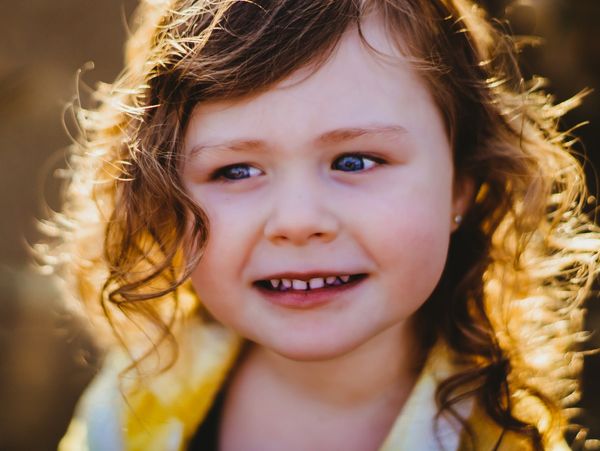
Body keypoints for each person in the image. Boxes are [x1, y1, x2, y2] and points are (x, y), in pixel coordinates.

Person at [43, 0, 600, 449]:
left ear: (462, 180)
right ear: (161, 195)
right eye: (236, 170)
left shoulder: (502, 441)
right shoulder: (137, 395)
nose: (298, 222)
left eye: (354, 161)